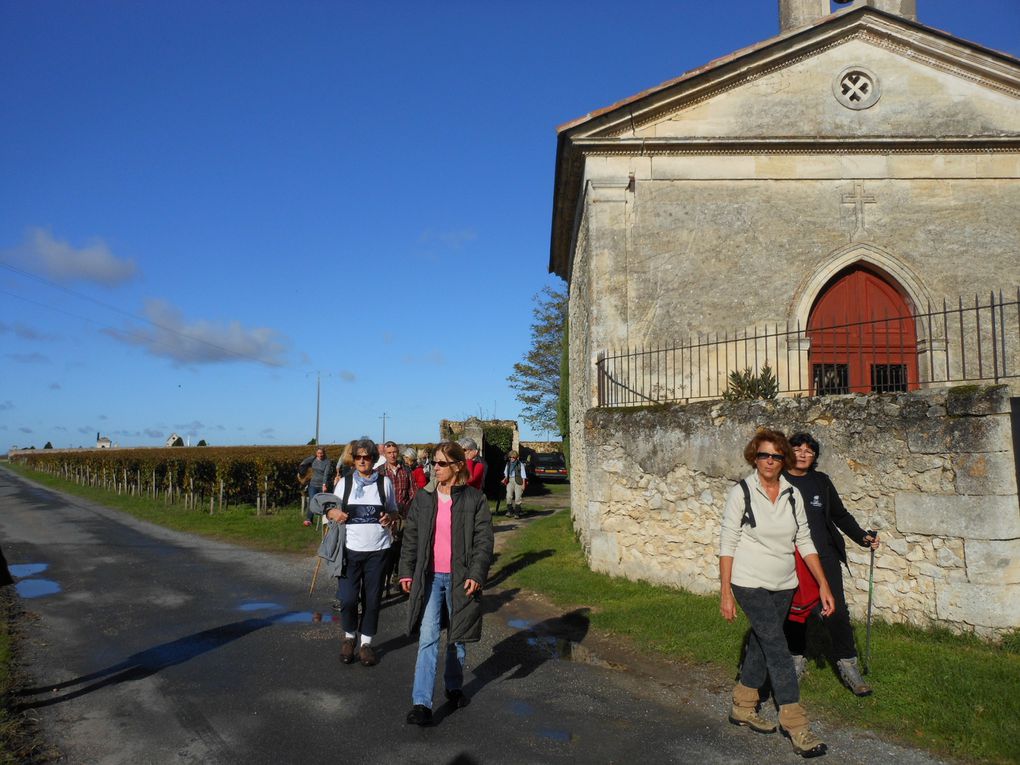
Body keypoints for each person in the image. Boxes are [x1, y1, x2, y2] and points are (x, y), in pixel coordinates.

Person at [719, 428, 834, 758]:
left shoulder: (792, 494)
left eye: (776, 456)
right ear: (754, 457)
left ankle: (742, 706)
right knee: (777, 645)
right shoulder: (741, 492)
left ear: (784, 459)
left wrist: (823, 584)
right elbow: (727, 544)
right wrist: (726, 591)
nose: (769, 461)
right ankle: (796, 724)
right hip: (748, 580)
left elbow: (805, 541)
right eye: (763, 455)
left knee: (760, 640)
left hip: (784, 583)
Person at [400, 441, 494, 726]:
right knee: (428, 638)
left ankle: (454, 686)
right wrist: (406, 571)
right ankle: (421, 704)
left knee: (457, 636)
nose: (435, 468)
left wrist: (476, 574)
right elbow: (411, 538)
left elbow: (483, 541)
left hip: (460, 578)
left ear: (456, 466)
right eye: (434, 463)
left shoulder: (474, 499)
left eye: (441, 463)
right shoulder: (424, 498)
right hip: (429, 577)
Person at [783, 433, 880, 697]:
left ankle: (848, 665)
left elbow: (839, 515)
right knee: (796, 611)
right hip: (790, 555)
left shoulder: (821, 482)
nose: (803, 454)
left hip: (824, 554)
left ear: (814, 456)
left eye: (809, 450)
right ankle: (795, 660)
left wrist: (862, 537)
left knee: (836, 610)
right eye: (798, 448)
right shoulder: (778, 480)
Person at [318, 439, 398, 667]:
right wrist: (333, 513)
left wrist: (390, 517)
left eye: (367, 457)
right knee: (348, 599)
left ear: (373, 460)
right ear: (353, 459)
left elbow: (394, 510)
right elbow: (330, 511)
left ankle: (366, 644)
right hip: (350, 551)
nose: (362, 461)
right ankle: (349, 638)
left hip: (379, 551)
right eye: (358, 457)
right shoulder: (344, 483)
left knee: (372, 600)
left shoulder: (385, 483)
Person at [378, 441, 415, 597]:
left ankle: (399, 579)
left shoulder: (406, 471)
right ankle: (382, 584)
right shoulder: (379, 472)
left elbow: (413, 493)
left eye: (394, 452)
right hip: (386, 517)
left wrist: (406, 510)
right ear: (384, 455)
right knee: (385, 552)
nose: (392, 455)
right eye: (389, 452)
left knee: (401, 549)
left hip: (403, 517)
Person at [299, 447, 332, 527]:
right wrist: (302, 469)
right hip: (312, 484)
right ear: (316, 453)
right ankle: (309, 519)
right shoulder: (313, 459)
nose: (320, 455)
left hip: (322, 485)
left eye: (321, 453)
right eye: (318, 453)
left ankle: (326, 519)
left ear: (324, 453)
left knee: (324, 502)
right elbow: (303, 463)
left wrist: (324, 485)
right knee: (312, 500)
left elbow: (326, 474)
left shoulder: (327, 462)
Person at [501, 450, 528, 518]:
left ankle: (517, 513)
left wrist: (523, 485)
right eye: (510, 457)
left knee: (518, 497)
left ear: (516, 457)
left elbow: (523, 476)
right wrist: (504, 479)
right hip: (510, 481)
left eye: (513, 457)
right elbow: (506, 473)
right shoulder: (508, 464)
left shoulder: (520, 464)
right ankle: (510, 511)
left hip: (518, 481)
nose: (511, 459)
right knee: (508, 496)